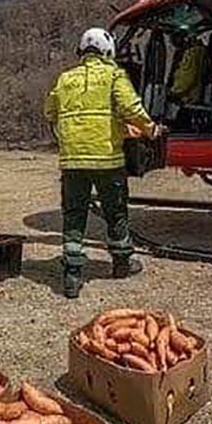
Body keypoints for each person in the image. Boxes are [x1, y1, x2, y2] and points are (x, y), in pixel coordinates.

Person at [44, 28, 164, 299]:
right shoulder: (114, 76)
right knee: (116, 211)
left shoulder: (64, 79)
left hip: (73, 163)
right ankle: (121, 263)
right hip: (108, 161)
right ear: (107, 50)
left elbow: (50, 112)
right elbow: (131, 108)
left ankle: (72, 274)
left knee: (74, 214)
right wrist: (150, 129)